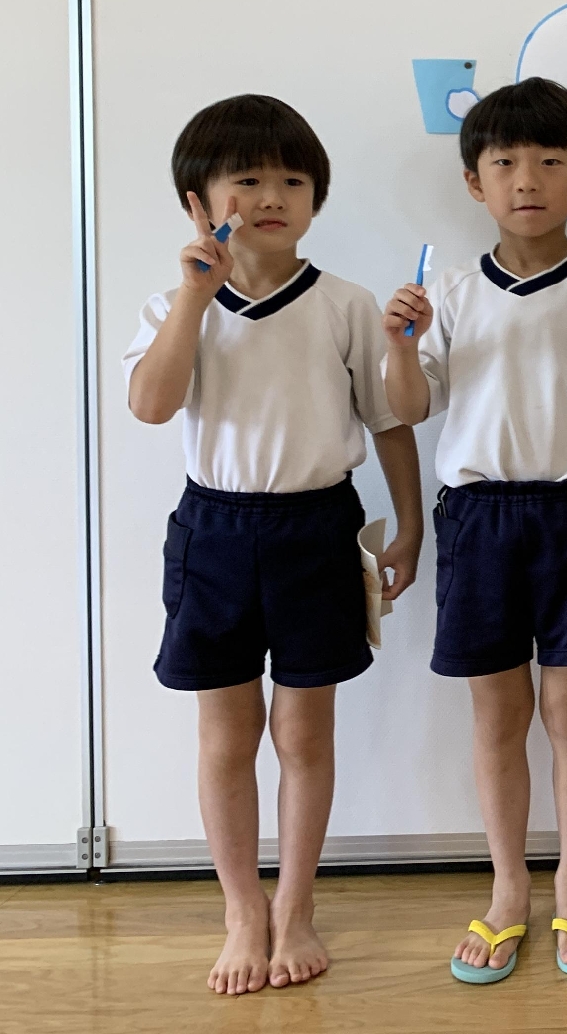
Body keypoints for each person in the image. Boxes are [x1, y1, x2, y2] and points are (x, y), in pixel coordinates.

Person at [125, 94, 423, 996]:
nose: (269, 197)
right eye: (246, 179)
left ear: (315, 198)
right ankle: (240, 910)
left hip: (317, 528)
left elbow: (390, 422)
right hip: (213, 531)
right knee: (226, 737)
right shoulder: (176, 303)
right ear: (197, 200)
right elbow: (151, 404)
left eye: (292, 181)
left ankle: (294, 906)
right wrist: (193, 295)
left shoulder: (345, 303)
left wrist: (411, 525)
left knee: (302, 731)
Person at [382, 77, 567, 984]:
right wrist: (399, 342)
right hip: (479, 518)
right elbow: (411, 406)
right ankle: (507, 887)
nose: (526, 179)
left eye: (549, 161)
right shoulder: (449, 290)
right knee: (497, 715)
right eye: (504, 163)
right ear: (474, 182)